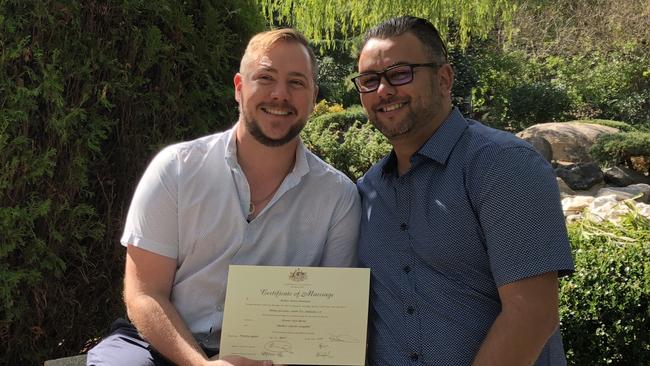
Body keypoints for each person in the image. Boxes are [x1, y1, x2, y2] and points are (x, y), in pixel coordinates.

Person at [87, 28, 361, 366]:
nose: (280, 94)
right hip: (159, 343)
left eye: (296, 82)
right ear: (238, 87)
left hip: (270, 358)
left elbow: (326, 323)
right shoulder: (176, 169)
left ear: (313, 97)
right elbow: (145, 293)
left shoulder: (338, 198)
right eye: (265, 77)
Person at [352, 16, 574, 365]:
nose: (383, 90)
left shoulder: (504, 166)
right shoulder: (367, 191)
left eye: (400, 74)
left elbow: (531, 313)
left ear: (444, 78)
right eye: (369, 81)